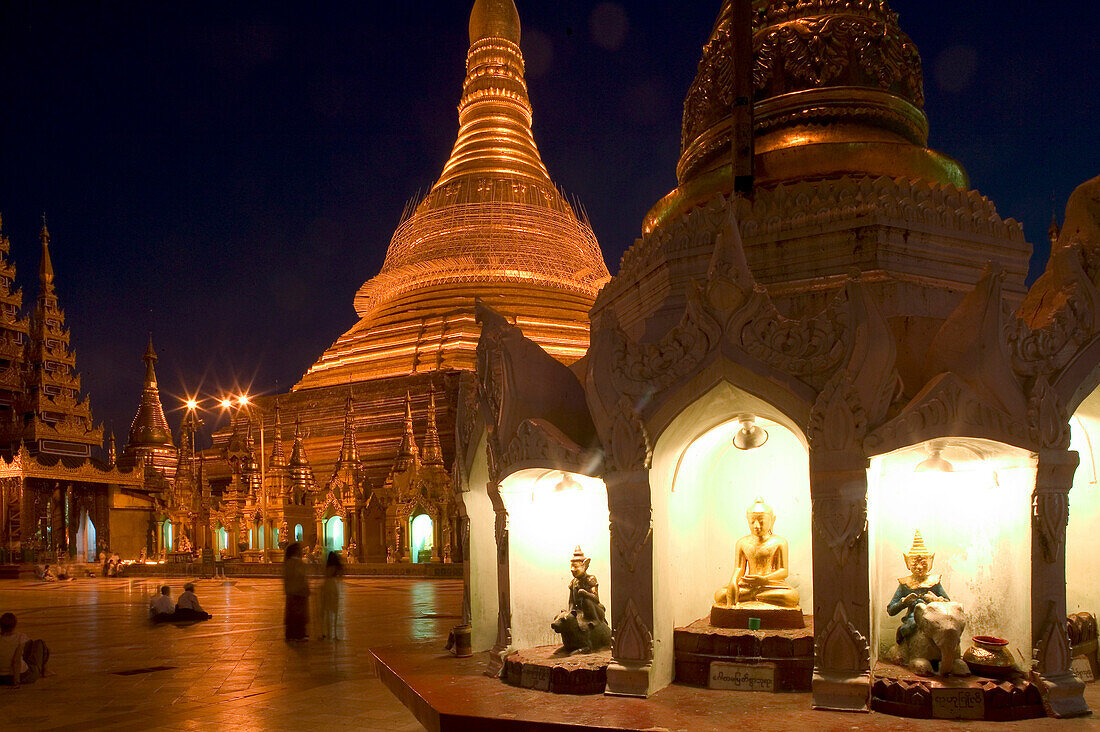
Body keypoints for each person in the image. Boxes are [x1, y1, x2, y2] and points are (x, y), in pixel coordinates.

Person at [888, 530, 949, 644]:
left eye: (923, 564)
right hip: (913, 620)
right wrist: (904, 602)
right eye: (915, 564)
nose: (919, 567)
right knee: (909, 628)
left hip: (933, 617)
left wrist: (936, 600)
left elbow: (948, 602)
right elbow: (891, 610)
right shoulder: (905, 584)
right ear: (908, 564)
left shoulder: (934, 582)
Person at [0, 613, 50, 686]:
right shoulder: (20, 637)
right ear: (15, 625)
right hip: (21, 676)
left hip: (1, 678)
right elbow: (16, 661)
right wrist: (16, 681)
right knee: (40, 643)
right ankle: (44, 670)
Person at [283, 543, 310, 640]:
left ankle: (291, 633)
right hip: (298, 592)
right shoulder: (297, 563)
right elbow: (300, 577)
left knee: (292, 614)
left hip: (292, 591)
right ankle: (299, 634)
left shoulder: (289, 563)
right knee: (298, 614)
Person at [319, 551, 344, 640]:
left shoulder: (327, 567)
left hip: (326, 586)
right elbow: (340, 576)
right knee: (334, 610)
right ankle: (335, 634)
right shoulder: (336, 568)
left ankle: (325, 632)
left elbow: (324, 575)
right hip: (333, 587)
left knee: (326, 611)